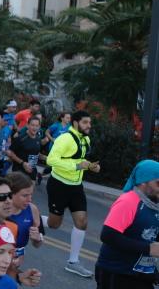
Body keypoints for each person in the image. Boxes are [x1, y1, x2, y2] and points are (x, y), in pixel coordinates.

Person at [45, 110, 100, 278]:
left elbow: (78, 160)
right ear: (75, 123)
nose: (88, 126)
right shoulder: (65, 138)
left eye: (89, 123)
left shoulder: (85, 139)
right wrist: (77, 167)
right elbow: (51, 160)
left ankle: (73, 262)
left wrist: (91, 166)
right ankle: (29, 218)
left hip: (76, 187)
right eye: (85, 123)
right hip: (58, 185)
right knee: (55, 224)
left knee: (82, 222)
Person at [95, 160, 159, 289]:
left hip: (142, 274)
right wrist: (148, 249)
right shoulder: (128, 201)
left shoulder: (155, 204)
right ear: (143, 181)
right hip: (116, 272)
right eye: (158, 183)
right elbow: (108, 235)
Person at [5, 172, 44, 262]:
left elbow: (37, 244)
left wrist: (37, 239)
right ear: (11, 194)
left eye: (31, 195)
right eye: (25, 195)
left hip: (16, 261)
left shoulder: (33, 209)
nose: (29, 199)